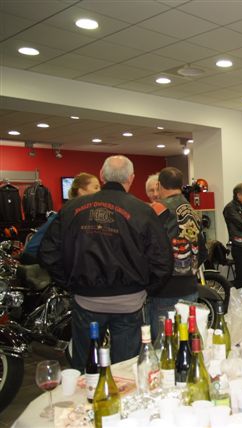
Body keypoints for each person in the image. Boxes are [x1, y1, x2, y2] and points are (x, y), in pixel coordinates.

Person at [39, 155, 173, 370]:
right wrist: (146, 289)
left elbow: (48, 252)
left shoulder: (72, 209)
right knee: (125, 368)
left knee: (86, 367)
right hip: (129, 302)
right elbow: (162, 259)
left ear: (102, 176)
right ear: (131, 178)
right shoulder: (142, 210)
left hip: (86, 301)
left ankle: (89, 390)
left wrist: (72, 283)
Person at [148, 167, 207, 339]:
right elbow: (202, 250)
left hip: (165, 288)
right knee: (187, 339)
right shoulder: (193, 211)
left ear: (159, 185)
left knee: (164, 343)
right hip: (190, 285)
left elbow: (151, 249)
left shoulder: (158, 211)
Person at [22, 173, 100, 263]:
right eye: (96, 187)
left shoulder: (77, 212)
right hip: (36, 259)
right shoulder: (69, 214)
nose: (100, 191)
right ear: (81, 191)